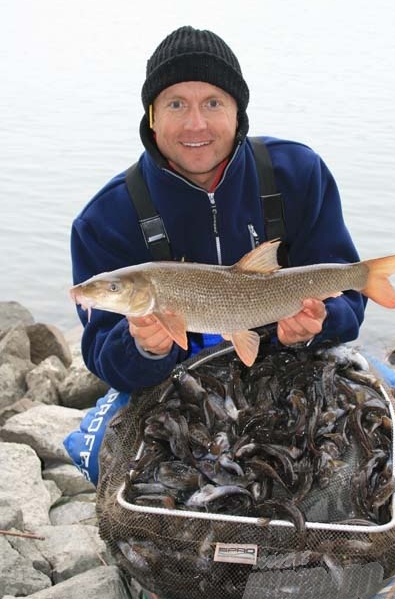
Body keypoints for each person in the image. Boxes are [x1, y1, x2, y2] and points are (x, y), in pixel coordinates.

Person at [70, 25, 365, 393]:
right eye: (176, 104)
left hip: (293, 368)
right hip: (175, 387)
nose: (196, 124)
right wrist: (143, 348)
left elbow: (351, 302)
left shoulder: (299, 173)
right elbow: (105, 359)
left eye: (213, 103)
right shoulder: (104, 219)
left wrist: (320, 324)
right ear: (152, 117)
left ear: (237, 113)